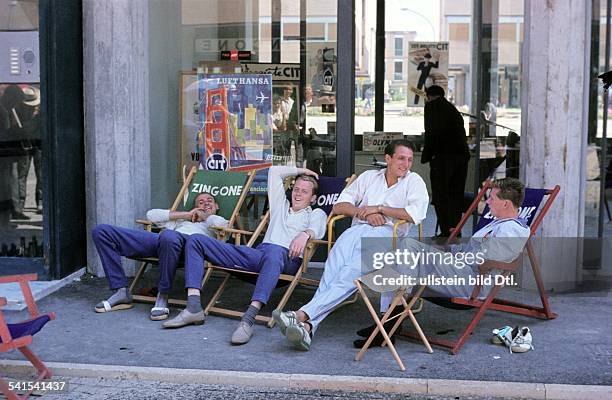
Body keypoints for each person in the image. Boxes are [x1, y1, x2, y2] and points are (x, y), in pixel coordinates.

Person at [272, 139, 429, 351]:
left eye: (410, 160)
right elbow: (339, 205)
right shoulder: (369, 177)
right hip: (356, 230)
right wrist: (362, 212)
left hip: (387, 236)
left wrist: (379, 209)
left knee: (348, 275)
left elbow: (414, 214)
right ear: (388, 159)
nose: (406, 164)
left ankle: (301, 314)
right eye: (401, 158)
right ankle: (308, 327)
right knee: (330, 275)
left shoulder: (414, 181)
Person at [163, 166, 327, 347]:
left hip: (287, 260)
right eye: (296, 189)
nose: (298, 194)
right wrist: (300, 170)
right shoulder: (280, 205)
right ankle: (193, 306)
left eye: (304, 192)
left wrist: (305, 235)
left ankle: (248, 319)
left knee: (275, 252)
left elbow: (317, 229)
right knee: (195, 240)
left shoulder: (316, 213)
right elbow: (274, 172)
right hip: (259, 255)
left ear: (312, 198)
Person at [91, 192, 228, 320]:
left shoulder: (217, 224)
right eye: (201, 202)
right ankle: (121, 290)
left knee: (169, 235)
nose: (205, 204)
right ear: (194, 207)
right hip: (161, 242)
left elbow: (220, 224)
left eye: (209, 201)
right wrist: (186, 215)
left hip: (189, 249)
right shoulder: (181, 220)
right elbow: (151, 215)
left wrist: (204, 216)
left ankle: (163, 294)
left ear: (217, 206)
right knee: (102, 231)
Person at [421, 85, 470, 239]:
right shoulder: (452, 109)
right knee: (455, 195)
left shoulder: (431, 108)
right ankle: (455, 230)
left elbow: (431, 133)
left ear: (429, 96)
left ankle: (445, 231)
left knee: (441, 195)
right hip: (461, 158)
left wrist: (428, 156)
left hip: (442, 159)